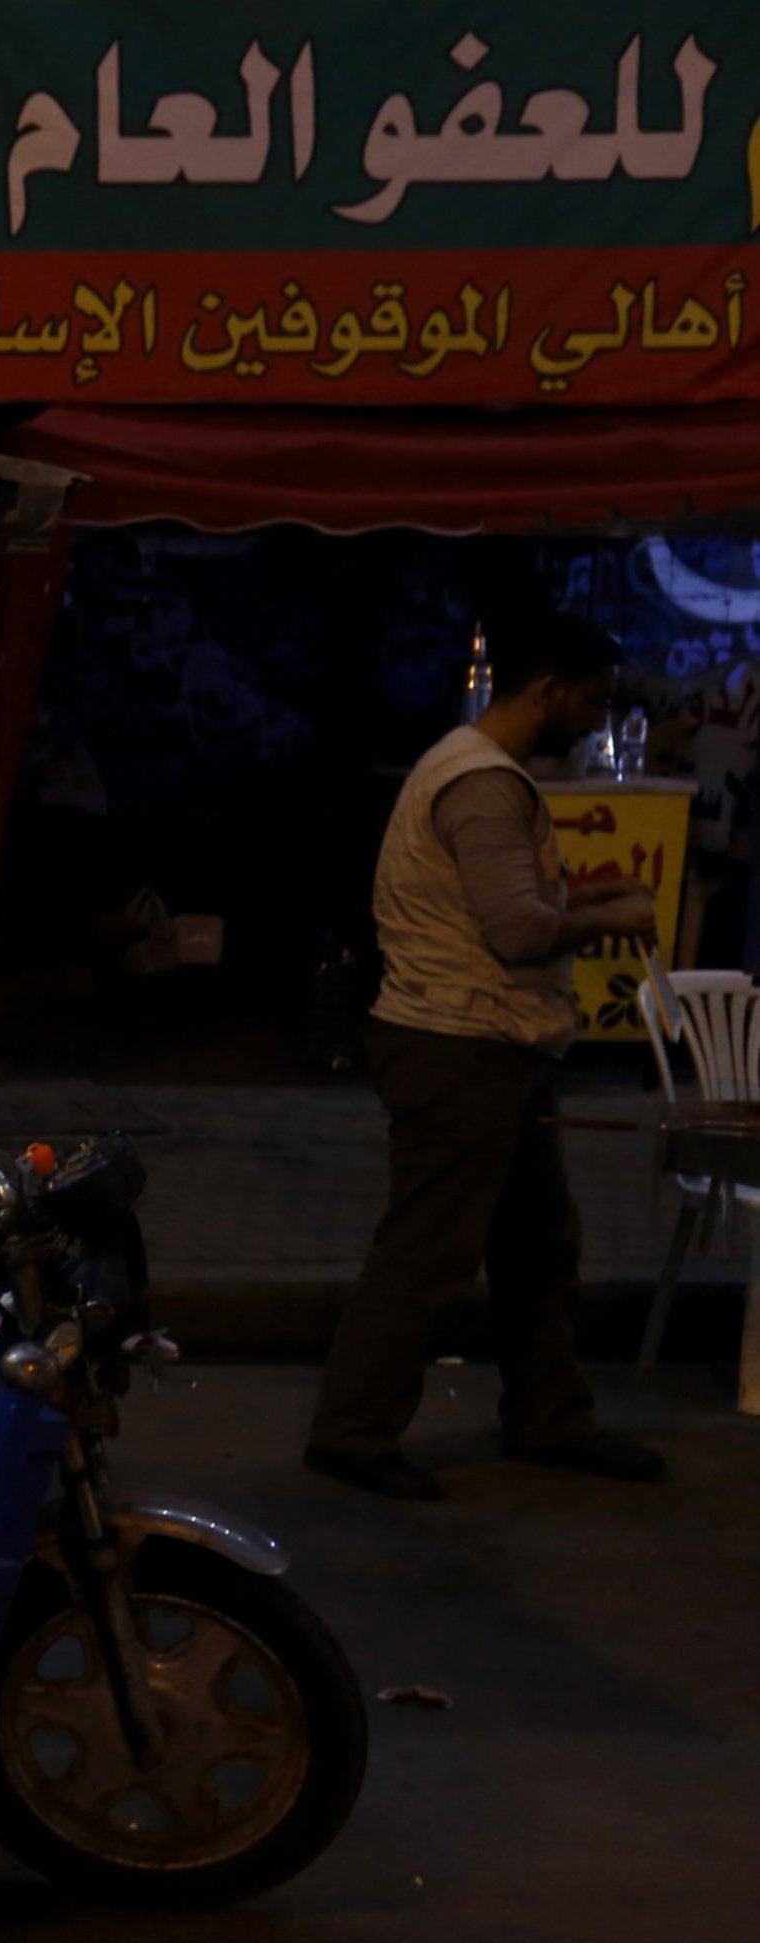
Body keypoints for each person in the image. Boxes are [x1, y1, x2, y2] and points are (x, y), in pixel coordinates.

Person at [304, 611, 664, 1500]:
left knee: (540, 1243)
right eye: (592, 701)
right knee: (428, 1250)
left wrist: (583, 890)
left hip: (490, 1042)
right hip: (460, 1045)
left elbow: (495, 900)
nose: (596, 720)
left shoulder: (469, 770)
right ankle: (353, 1432)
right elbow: (516, 931)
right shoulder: (483, 784)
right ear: (547, 691)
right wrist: (609, 916)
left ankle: (550, 1418)